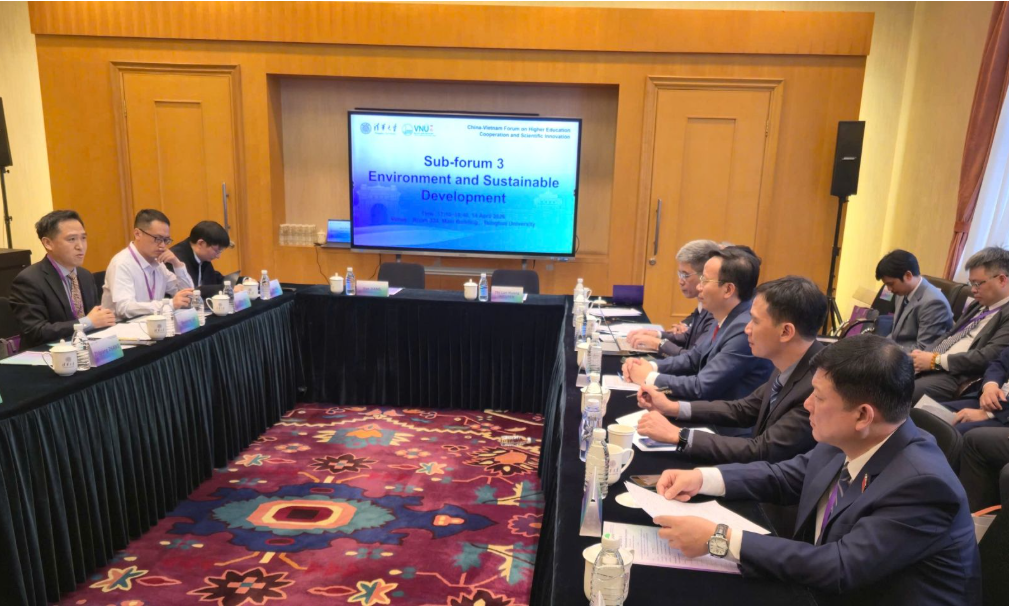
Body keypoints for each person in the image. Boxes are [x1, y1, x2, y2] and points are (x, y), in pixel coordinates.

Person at [651, 335, 980, 606]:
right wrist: (703, 478)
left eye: (818, 398)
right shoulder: (850, 438)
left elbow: (840, 566)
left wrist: (720, 539)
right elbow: (785, 477)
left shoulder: (924, 485)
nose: (807, 405)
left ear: (863, 415)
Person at [634, 276, 826, 464]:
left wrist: (680, 436)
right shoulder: (792, 361)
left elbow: (762, 451)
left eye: (755, 321)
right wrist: (672, 407)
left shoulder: (818, 385)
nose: (747, 329)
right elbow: (743, 409)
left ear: (785, 332)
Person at [622, 246, 773, 402]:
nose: (699, 287)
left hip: (720, 415)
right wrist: (650, 365)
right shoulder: (724, 313)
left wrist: (649, 377)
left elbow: (702, 387)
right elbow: (692, 359)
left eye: (705, 281)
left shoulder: (744, 329)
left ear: (728, 290)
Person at [910, 246, 1009, 403]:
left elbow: (988, 356)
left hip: (958, 374)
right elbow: (950, 335)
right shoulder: (978, 304)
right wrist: (924, 354)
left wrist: (936, 361)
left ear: (1002, 280)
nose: (973, 290)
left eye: (978, 283)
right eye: (971, 283)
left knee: (905, 391)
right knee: (884, 372)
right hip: (934, 362)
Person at [9, 210, 116, 349]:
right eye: (72, 239)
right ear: (48, 243)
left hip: (86, 350)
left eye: (83, 238)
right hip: (48, 355)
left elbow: (96, 317)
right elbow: (36, 332)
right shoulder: (28, 280)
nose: (80, 246)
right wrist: (86, 322)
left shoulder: (85, 275)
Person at [626, 239, 720, 356]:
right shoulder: (703, 304)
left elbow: (695, 358)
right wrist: (657, 335)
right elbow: (688, 337)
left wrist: (659, 344)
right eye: (679, 274)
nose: (680, 281)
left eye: (685, 275)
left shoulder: (715, 310)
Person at [102, 209, 194, 320]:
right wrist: (168, 305)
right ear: (137, 234)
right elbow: (124, 308)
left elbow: (188, 296)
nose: (163, 246)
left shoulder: (158, 263)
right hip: (123, 327)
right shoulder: (121, 263)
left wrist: (177, 264)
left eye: (166, 240)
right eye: (158, 239)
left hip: (154, 325)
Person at [875, 249, 952, 351]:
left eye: (891, 284)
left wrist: (887, 351)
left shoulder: (934, 303)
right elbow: (895, 335)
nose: (889, 289)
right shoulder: (902, 291)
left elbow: (923, 349)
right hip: (896, 352)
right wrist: (880, 345)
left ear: (908, 276)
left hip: (910, 358)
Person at [169, 221, 231, 288]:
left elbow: (212, 277)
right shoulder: (175, 260)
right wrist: (223, 288)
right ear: (201, 243)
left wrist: (235, 283)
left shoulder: (202, 257)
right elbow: (191, 290)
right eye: (216, 250)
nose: (218, 256)